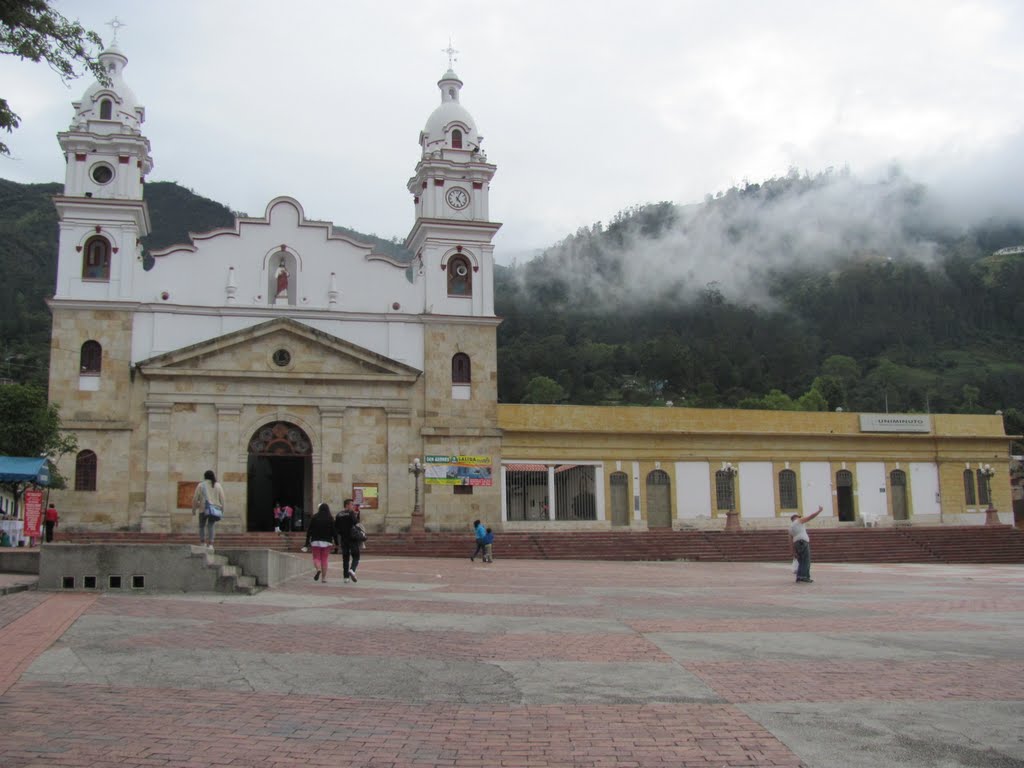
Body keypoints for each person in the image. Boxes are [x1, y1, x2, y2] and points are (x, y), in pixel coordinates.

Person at [191, 469, 226, 551]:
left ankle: (202, 542)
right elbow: (222, 499)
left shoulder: (201, 485)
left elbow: (195, 498)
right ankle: (211, 544)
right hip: (214, 509)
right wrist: (222, 510)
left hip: (203, 509)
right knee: (211, 526)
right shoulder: (218, 485)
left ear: (205, 476)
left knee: (202, 526)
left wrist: (194, 509)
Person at [790, 505, 824, 583]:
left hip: (796, 544)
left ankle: (799, 577)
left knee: (801, 560)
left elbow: (790, 541)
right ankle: (805, 577)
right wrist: (819, 511)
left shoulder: (790, 528)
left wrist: (793, 552)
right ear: (796, 518)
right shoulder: (798, 521)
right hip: (803, 542)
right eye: (799, 517)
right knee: (806, 560)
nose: (800, 518)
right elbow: (810, 517)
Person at [304, 502, 335, 584]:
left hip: (315, 541)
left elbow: (309, 530)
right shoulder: (330, 518)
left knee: (316, 558)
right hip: (327, 541)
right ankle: (324, 578)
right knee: (324, 559)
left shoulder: (315, 517)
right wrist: (336, 542)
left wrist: (306, 542)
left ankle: (318, 569)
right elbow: (334, 531)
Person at [334, 499, 362, 583]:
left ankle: (346, 577)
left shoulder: (338, 514)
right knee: (356, 556)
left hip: (343, 538)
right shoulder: (351, 513)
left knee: (345, 558)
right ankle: (352, 570)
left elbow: (336, 527)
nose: (353, 506)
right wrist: (357, 514)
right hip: (352, 538)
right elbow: (356, 523)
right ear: (347, 505)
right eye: (351, 504)